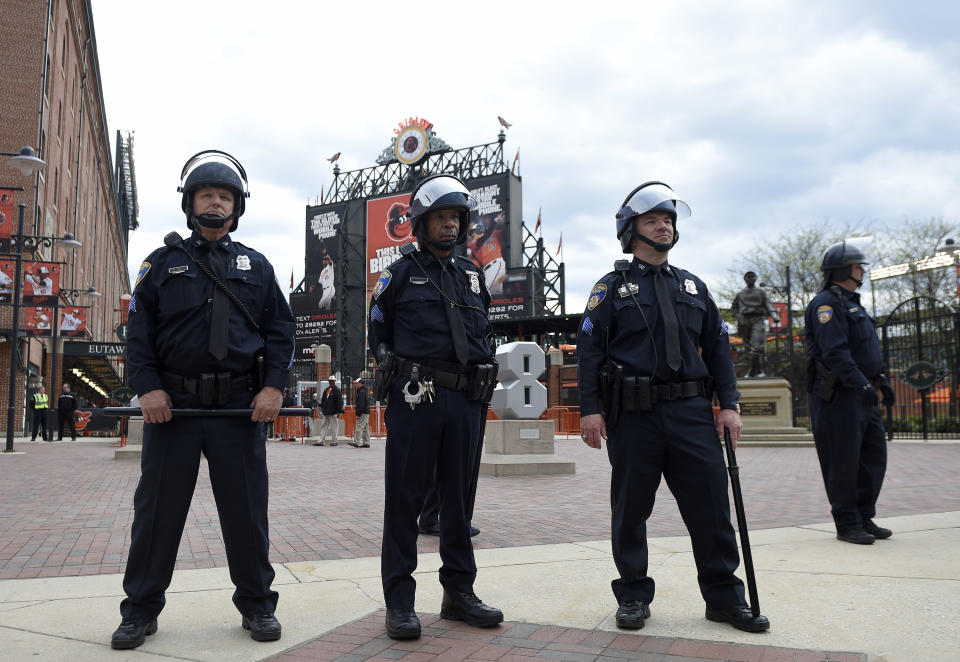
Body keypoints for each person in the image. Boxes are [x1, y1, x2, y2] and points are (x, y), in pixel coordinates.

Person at [112, 150, 295, 650]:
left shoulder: (257, 267)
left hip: (240, 409)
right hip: (173, 409)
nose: (216, 203)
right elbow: (138, 334)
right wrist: (146, 387)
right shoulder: (161, 263)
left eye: (225, 196)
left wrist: (274, 386)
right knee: (157, 515)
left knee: (246, 514)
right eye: (206, 195)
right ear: (190, 203)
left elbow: (282, 331)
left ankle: (258, 605)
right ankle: (140, 611)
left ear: (237, 207)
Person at [577, 181, 768, 633]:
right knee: (630, 509)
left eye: (668, 220)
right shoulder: (610, 288)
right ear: (631, 230)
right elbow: (589, 352)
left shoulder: (693, 286)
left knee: (711, 508)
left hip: (691, 413)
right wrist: (590, 408)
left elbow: (719, 349)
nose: (663, 226)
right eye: (652, 220)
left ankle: (724, 598)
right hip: (634, 415)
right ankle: (633, 595)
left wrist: (730, 404)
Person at [369, 173, 501, 640]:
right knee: (405, 501)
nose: (449, 225)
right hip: (416, 398)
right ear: (421, 223)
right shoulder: (399, 273)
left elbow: (482, 333)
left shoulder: (471, 273)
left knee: (459, 505)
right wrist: (390, 366)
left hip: (466, 401)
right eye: (441, 217)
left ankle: (458, 595)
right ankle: (400, 603)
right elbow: (378, 332)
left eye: (455, 218)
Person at [805, 241, 893, 545]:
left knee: (873, 457)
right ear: (843, 269)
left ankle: (864, 516)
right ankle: (847, 522)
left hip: (862, 393)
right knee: (843, 460)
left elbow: (865, 350)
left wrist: (880, 381)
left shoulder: (853, 303)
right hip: (838, 396)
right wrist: (862, 384)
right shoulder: (827, 304)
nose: (863, 270)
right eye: (858, 266)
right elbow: (836, 353)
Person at [731, 271, 779, 377]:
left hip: (757, 320)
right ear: (744, 279)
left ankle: (753, 371)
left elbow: (768, 305)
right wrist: (739, 316)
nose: (750, 278)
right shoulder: (740, 294)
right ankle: (757, 371)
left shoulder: (760, 292)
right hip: (744, 322)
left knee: (756, 348)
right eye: (748, 276)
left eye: (752, 276)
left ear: (756, 278)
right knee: (749, 349)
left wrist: (775, 316)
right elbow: (734, 309)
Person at [465, 214, 507, 296]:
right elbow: (486, 236)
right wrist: (495, 221)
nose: (473, 235)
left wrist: (503, 221)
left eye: (475, 232)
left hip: (496, 264)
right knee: (495, 296)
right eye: (471, 234)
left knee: (488, 294)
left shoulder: (494, 234)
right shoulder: (474, 244)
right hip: (487, 270)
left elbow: (505, 230)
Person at [313, 375, 342, 446]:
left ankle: (335, 441)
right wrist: (321, 406)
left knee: (334, 427)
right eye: (330, 381)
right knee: (324, 426)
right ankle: (321, 441)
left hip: (333, 412)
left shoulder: (337, 391)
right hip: (326, 412)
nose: (331, 382)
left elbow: (340, 402)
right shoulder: (326, 390)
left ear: (334, 381)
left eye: (332, 381)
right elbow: (323, 400)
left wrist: (339, 411)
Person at [349, 378, 371, 448]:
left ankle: (356, 442)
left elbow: (361, 404)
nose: (356, 385)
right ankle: (366, 443)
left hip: (363, 412)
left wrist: (358, 414)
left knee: (359, 427)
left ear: (360, 384)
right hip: (366, 412)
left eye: (356, 383)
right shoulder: (364, 391)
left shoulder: (361, 392)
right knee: (365, 428)